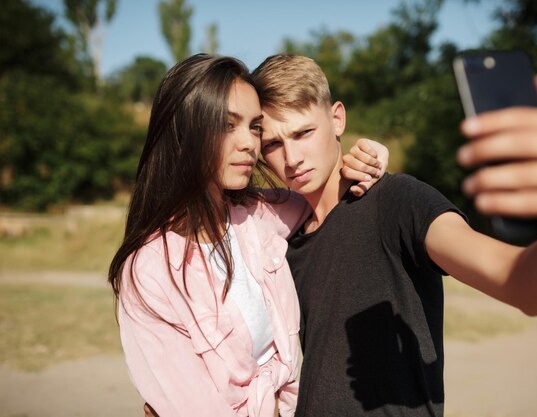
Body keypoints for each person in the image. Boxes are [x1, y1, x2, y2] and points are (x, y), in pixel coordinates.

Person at [250, 54, 537, 417]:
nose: (292, 157)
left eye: (303, 132)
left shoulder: (396, 202)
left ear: (337, 119)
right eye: (273, 144)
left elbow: (525, 283)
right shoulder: (284, 240)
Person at [108, 54, 387, 417]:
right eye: (227, 125)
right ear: (182, 137)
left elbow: (328, 190)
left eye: (254, 127)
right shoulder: (150, 272)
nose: (249, 144)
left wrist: (372, 157)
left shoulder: (258, 216)